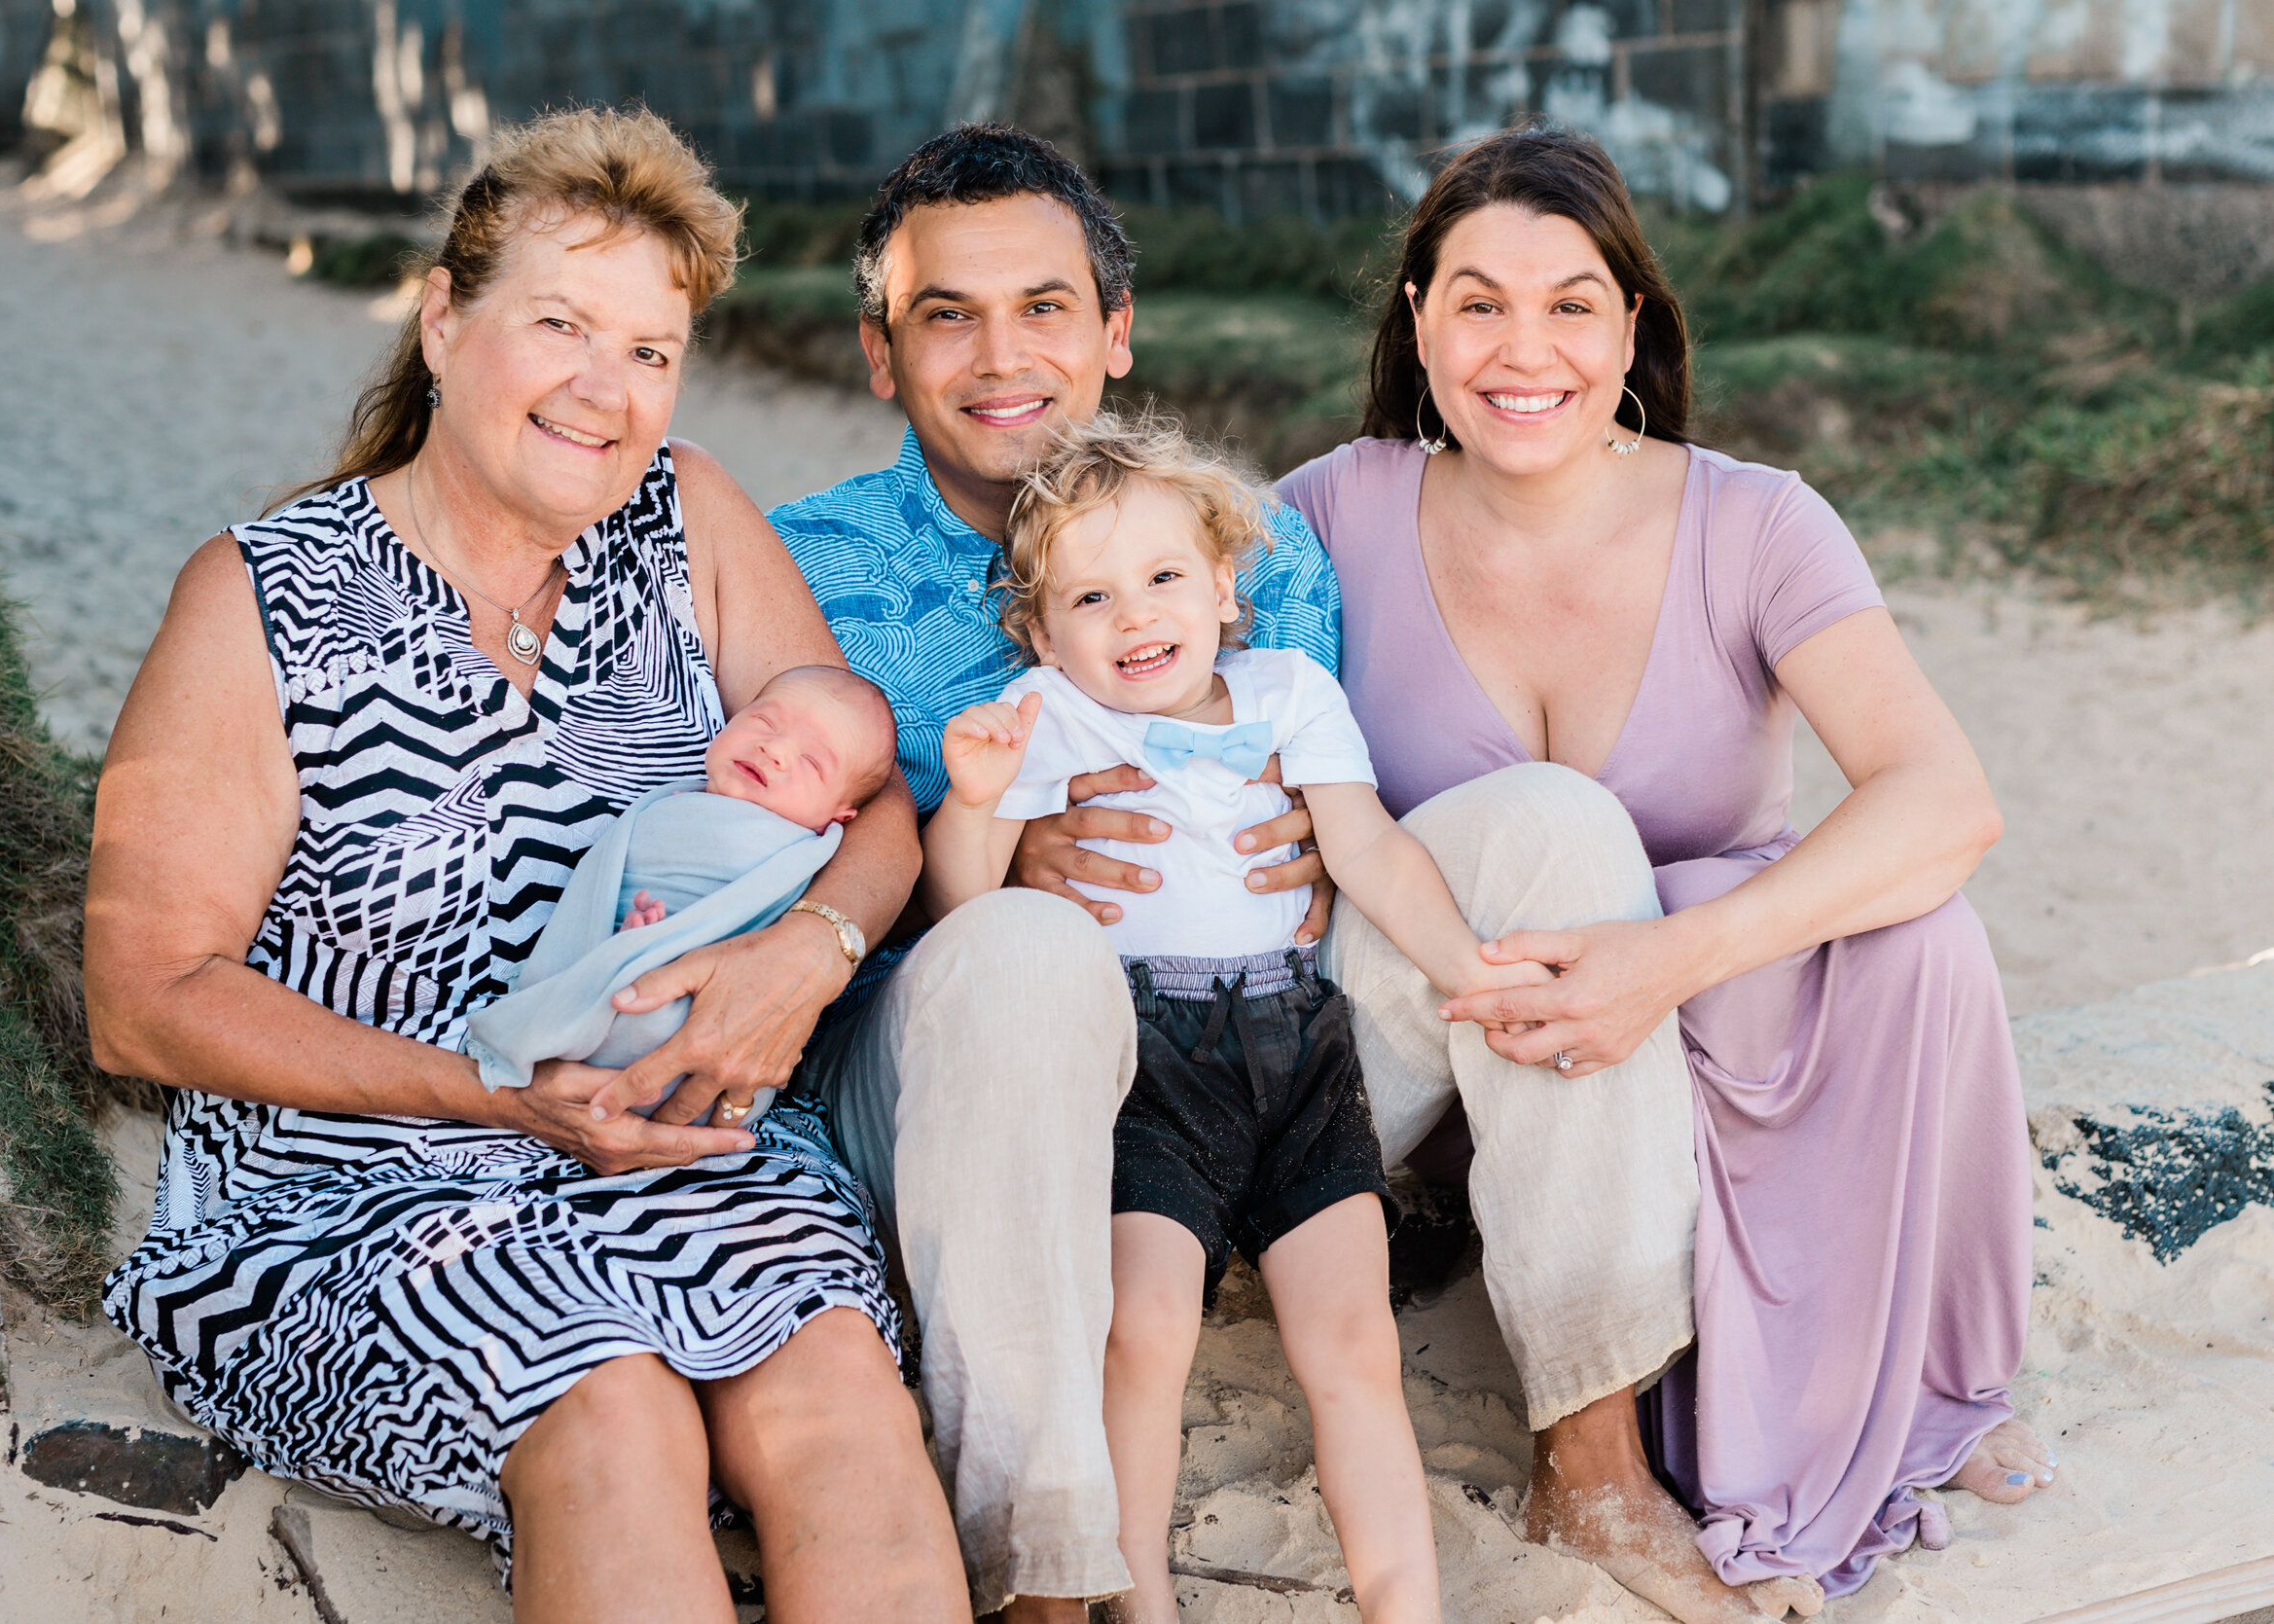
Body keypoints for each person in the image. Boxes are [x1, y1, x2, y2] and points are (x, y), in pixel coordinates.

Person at [85, 108, 969, 1624]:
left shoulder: (685, 520)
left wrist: (799, 958)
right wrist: (486, 1095)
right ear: (442, 320)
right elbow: (146, 999)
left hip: (684, 1148)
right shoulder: (259, 598)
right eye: (560, 324)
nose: (606, 390)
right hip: (349, 1188)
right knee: (610, 1406)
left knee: (840, 1396)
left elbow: (873, 801)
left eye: (649, 348)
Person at [1277, 123, 2050, 1622]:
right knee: (1558, 825)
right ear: (1418, 319)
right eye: (1479, 301)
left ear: (1632, 323)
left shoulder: (1755, 522)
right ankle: (1603, 1453)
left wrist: (1669, 959)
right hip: (1441, 1037)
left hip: (1673, 1015)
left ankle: (1909, 1381)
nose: (1525, 348)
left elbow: (1946, 795)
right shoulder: (1327, 513)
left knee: (1923, 929)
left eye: (1572, 302)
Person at [763, 124, 1343, 1620]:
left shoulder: (1256, 556)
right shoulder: (794, 568)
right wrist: (1005, 851)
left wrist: (1336, 853)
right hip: (953, 1094)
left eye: (1045, 306)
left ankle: (1595, 1438)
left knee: (1536, 832)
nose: (999, 353)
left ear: (1115, 331)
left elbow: (1321, 822)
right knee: (1024, 949)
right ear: (883, 356)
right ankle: (1044, 1572)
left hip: (1257, 1068)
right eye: (945, 314)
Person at [925, 413, 1544, 1623]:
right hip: (1147, 1066)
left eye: (1162, 576)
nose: (1134, 614)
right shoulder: (1047, 715)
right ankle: (1140, 1597)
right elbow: (962, 910)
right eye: (1089, 597)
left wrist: (1466, 967)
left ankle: (1402, 1604)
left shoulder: (1289, 688)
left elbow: (1365, 850)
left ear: (1222, 582)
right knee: (1145, 1329)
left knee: (1353, 1344)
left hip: (1301, 1053)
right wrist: (975, 797)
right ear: (1041, 631)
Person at [463, 664, 902, 1128]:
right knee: (623, 992)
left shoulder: (806, 851)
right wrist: (633, 941)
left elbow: (759, 935)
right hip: (617, 979)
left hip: (720, 1013)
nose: (774, 749)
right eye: (764, 722)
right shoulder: (666, 804)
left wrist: (675, 946)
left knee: (661, 1015)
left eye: (813, 763)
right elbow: (603, 888)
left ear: (840, 815)